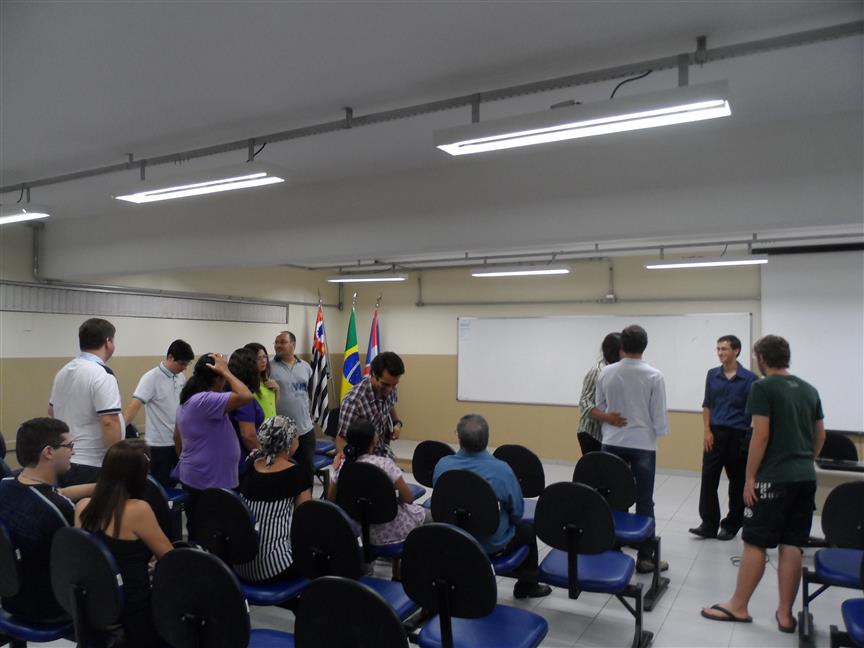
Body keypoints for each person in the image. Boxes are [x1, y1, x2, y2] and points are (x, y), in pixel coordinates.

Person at [702, 335, 825, 633]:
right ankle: (785, 614)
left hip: (773, 478)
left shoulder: (762, 386)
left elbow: (760, 435)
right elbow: (820, 435)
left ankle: (739, 605)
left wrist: (750, 477)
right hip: (805, 476)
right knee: (792, 543)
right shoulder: (809, 389)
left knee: (755, 542)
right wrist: (805, 461)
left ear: (761, 358)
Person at [433, 414, 551, 599]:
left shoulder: (442, 465)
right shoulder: (502, 470)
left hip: (452, 539)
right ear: (487, 438)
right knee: (527, 531)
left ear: (459, 438)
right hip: (490, 545)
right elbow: (517, 513)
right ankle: (527, 586)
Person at [76, 439, 173, 648]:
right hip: (134, 612)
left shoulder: (82, 507)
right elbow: (170, 558)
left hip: (96, 606)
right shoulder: (138, 510)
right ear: (141, 474)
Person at [0, 418, 94, 623]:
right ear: (49, 452)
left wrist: (100, 487)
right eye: (69, 446)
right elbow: (82, 561)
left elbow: (47, 496)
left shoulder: (4, 486)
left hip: (10, 596)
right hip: (49, 607)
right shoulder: (58, 508)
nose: (74, 452)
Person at [596, 324, 670, 574]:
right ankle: (645, 556)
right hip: (643, 444)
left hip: (612, 442)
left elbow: (601, 407)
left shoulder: (606, 372)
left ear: (621, 347)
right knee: (644, 500)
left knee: (613, 497)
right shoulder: (654, 375)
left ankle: (613, 548)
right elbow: (659, 417)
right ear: (644, 346)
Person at [174, 353, 254, 537]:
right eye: (223, 378)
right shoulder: (204, 399)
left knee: (200, 528)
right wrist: (226, 371)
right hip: (210, 481)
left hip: (200, 477)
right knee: (213, 533)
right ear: (218, 377)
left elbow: (176, 437)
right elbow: (245, 395)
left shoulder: (189, 399)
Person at [690, 335, 758, 541]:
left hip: (738, 435)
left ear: (736, 351)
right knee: (708, 479)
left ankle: (731, 524)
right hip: (715, 433)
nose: (720, 353)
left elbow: (755, 412)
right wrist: (706, 431)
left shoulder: (750, 379)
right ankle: (708, 524)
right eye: (718, 349)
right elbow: (707, 404)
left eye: (724, 349)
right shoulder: (712, 375)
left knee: (736, 483)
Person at [329, 419, 425, 552]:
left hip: (360, 531)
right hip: (391, 531)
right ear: (374, 440)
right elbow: (408, 498)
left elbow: (331, 500)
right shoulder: (386, 465)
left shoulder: (342, 466)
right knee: (424, 516)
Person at [236, 415, 312, 582]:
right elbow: (305, 521)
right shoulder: (296, 473)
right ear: (289, 443)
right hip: (275, 566)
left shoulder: (250, 464)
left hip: (240, 563)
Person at [49, 318, 124, 486]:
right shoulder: (102, 374)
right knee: (96, 512)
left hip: (66, 461)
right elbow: (109, 422)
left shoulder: (63, 372)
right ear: (108, 342)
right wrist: (118, 463)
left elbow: (51, 411)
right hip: (93, 464)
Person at [124, 339, 194, 488]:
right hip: (159, 445)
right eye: (181, 363)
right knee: (161, 487)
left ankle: (175, 511)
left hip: (179, 441)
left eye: (187, 364)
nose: (184, 368)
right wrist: (120, 430)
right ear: (170, 357)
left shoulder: (180, 377)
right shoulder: (151, 378)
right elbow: (134, 406)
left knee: (182, 482)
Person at [336, 351, 405, 460]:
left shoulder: (390, 388)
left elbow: (390, 405)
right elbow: (341, 441)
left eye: (394, 385)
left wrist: (397, 423)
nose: (390, 389)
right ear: (373, 374)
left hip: (383, 452)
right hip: (362, 461)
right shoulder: (354, 402)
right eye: (385, 384)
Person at [271, 331, 316, 482]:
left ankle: (307, 503)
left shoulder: (306, 367)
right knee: (284, 472)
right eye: (276, 342)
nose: (278, 345)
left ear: (293, 344)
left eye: (282, 342)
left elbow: (308, 394)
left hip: (305, 430)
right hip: (281, 433)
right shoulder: (269, 368)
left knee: (306, 470)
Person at [577, 332, 625, 455]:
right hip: (591, 433)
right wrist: (607, 417)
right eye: (624, 350)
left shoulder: (618, 371)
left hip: (608, 434)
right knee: (596, 471)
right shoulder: (598, 371)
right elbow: (584, 403)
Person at [228, 347, 265, 466]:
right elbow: (248, 435)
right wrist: (264, 457)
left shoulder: (225, 390)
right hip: (243, 460)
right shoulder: (244, 398)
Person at [244, 342, 280, 419]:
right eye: (258, 358)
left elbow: (271, 406)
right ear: (249, 361)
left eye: (264, 357)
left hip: (272, 426)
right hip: (258, 428)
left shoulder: (267, 380)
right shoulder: (245, 385)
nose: (263, 361)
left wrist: (277, 389)